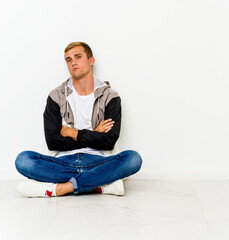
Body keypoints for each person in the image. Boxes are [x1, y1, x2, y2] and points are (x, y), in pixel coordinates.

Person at [15, 42, 142, 197]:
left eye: (78, 56)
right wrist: (95, 133)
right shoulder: (56, 96)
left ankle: (60, 189)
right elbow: (52, 141)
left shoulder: (110, 96)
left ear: (91, 61)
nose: (73, 62)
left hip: (98, 162)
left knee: (133, 158)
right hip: (62, 163)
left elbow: (109, 141)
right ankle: (99, 185)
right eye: (68, 59)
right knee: (23, 160)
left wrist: (71, 132)